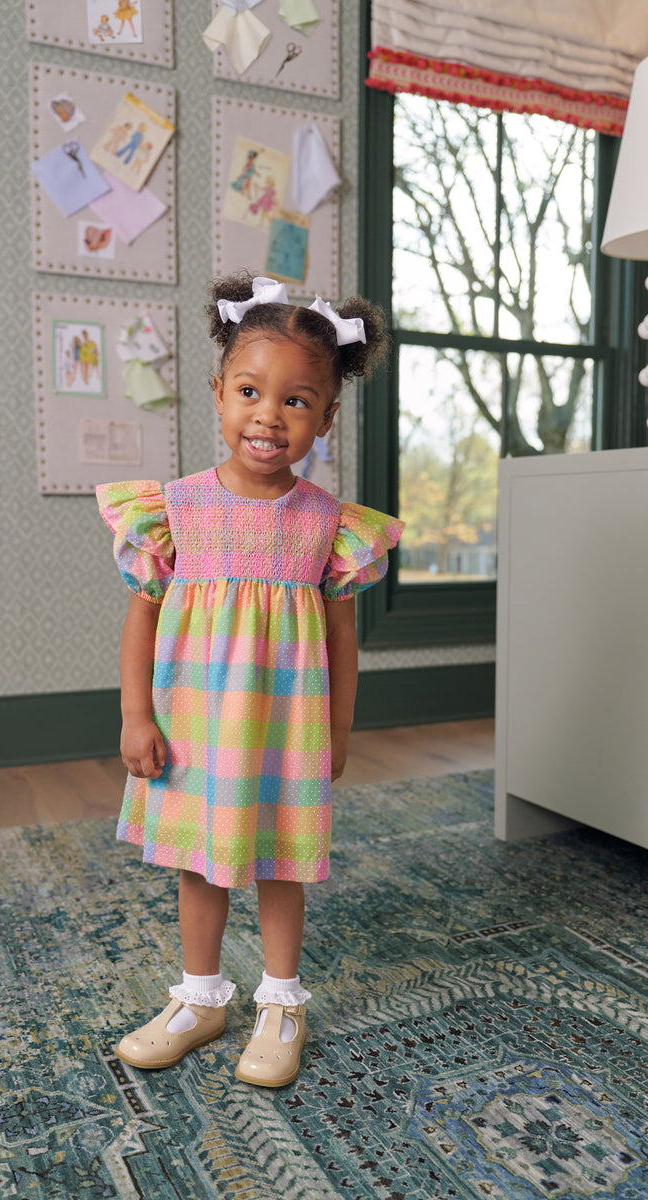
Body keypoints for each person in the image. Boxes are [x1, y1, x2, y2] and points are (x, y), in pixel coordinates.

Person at [96, 272, 404, 1088]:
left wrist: (338, 729)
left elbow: (342, 637)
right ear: (218, 393)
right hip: (194, 721)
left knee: (278, 860)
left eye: (296, 401)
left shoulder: (329, 525)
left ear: (325, 417)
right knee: (199, 861)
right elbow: (143, 616)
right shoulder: (175, 508)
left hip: (284, 725)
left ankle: (280, 1002)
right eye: (249, 392)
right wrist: (135, 715)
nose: (269, 415)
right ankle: (200, 998)